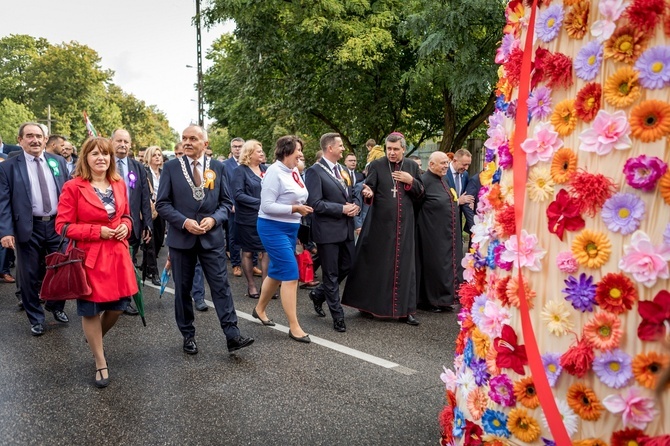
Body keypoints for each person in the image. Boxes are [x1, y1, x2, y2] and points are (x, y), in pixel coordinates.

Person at [156, 125, 254, 355]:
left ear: (205, 144)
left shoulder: (218, 167)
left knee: (221, 287)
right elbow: (162, 204)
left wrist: (213, 220)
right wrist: (184, 222)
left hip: (211, 239)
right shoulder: (171, 167)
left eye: (193, 138)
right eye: (184, 138)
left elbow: (226, 203)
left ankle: (232, 335)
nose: (187, 142)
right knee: (183, 290)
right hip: (183, 239)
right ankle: (188, 335)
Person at [55, 137, 138, 388]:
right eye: (95, 154)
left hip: (117, 257)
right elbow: (62, 226)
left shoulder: (119, 183)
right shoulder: (73, 187)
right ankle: (100, 360)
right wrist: (96, 231)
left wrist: (126, 225)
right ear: (86, 158)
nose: (101, 158)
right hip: (89, 259)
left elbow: (126, 215)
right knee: (90, 309)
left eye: (105, 154)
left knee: (118, 307)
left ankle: (94, 339)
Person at [342, 132, 424, 325]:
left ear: (403, 149)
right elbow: (367, 189)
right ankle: (372, 307)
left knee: (405, 268)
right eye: (389, 149)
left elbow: (421, 193)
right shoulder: (377, 165)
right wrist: (367, 192)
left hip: (405, 226)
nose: (392, 153)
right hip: (380, 226)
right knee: (378, 266)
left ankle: (407, 311)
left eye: (396, 149)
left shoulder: (411, 166)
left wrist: (410, 181)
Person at [0, 122, 70, 336]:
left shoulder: (57, 161)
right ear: (20, 140)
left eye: (39, 136)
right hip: (28, 226)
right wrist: (5, 231)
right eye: (29, 136)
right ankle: (36, 318)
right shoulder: (8, 167)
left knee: (64, 268)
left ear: (45, 139)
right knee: (29, 275)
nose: (35, 140)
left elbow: (68, 193)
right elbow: (3, 202)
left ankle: (56, 306)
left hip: (57, 225)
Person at [253, 135, 313, 343]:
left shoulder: (294, 171)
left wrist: (299, 209)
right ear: (287, 151)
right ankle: (294, 326)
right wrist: (295, 208)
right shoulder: (273, 172)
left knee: (278, 271)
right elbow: (267, 206)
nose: (301, 154)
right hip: (272, 227)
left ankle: (259, 309)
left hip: (291, 227)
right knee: (290, 273)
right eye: (298, 150)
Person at [305, 133, 359, 332]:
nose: (343, 149)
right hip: (327, 231)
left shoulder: (343, 170)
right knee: (331, 273)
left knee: (349, 265)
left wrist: (355, 207)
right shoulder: (314, 172)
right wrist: (341, 209)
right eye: (340, 145)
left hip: (346, 228)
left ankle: (319, 294)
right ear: (330, 148)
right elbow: (315, 203)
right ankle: (338, 316)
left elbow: (351, 194)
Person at [111, 128, 153, 315]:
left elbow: (145, 198)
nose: (123, 145)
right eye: (119, 141)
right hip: (110, 225)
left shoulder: (137, 167)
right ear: (111, 142)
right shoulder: (104, 163)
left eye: (126, 142)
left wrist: (148, 225)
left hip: (132, 225)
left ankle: (124, 299)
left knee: (128, 263)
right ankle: (110, 297)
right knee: (111, 265)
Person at [416, 152, 460, 312]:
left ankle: (445, 299)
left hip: (447, 233)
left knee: (446, 266)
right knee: (434, 266)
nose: (445, 166)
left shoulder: (444, 179)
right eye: (442, 163)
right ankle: (430, 301)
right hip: (431, 233)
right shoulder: (423, 181)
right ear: (431, 165)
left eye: (446, 163)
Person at [231, 139, 269, 299]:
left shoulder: (266, 169)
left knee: (267, 252)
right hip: (247, 219)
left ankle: (267, 287)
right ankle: (252, 285)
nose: (262, 153)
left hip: (267, 217)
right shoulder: (241, 171)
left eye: (262, 151)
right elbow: (238, 195)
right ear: (249, 154)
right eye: (258, 151)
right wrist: (261, 203)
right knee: (247, 252)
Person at [143, 146, 165, 286]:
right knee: (149, 241)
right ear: (149, 157)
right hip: (149, 209)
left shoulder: (164, 172)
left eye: (159, 154)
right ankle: (154, 272)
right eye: (154, 155)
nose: (157, 157)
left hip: (162, 210)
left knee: (159, 239)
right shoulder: (145, 173)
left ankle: (147, 266)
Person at [222, 137, 244, 277]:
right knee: (233, 236)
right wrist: (231, 203)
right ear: (231, 148)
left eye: (240, 146)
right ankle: (236, 264)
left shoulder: (250, 163)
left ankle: (253, 264)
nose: (237, 149)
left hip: (248, 206)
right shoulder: (225, 165)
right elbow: (224, 186)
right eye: (235, 146)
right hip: (233, 207)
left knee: (251, 236)